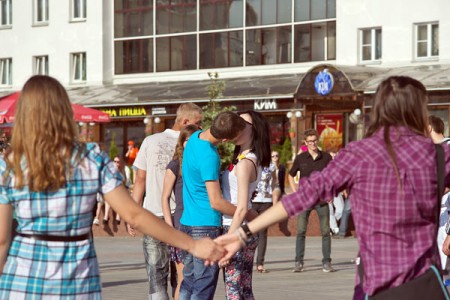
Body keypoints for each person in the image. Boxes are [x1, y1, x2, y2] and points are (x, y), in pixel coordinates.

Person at [216, 76, 450, 298]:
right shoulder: (438, 155)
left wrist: (243, 232)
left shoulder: (359, 154)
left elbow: (304, 196)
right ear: (419, 111)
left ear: (380, 110)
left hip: (377, 284)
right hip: (426, 285)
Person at [0, 75, 225, 299]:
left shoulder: (9, 164)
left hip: (22, 277)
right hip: (76, 280)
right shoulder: (90, 158)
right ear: (64, 111)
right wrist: (192, 245)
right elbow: (134, 215)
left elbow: (2, 239)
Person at [127, 102, 203, 300]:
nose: (201, 128)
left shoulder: (150, 140)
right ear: (186, 122)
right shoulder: (195, 142)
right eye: (198, 122)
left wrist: (132, 215)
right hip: (183, 217)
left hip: (152, 216)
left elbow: (140, 180)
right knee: (183, 276)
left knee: (156, 276)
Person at [179, 111, 253, 300]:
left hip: (187, 222)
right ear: (227, 139)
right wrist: (245, 213)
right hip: (205, 226)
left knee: (188, 282)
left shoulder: (194, 137)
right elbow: (216, 201)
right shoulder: (209, 155)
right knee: (203, 287)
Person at [221, 111, 271, 298]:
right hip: (243, 228)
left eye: (242, 123)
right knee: (243, 288)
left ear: (254, 129)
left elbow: (241, 208)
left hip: (235, 227)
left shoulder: (245, 163)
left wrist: (227, 241)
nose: (237, 125)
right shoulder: (244, 158)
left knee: (234, 290)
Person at [288, 129, 334, 273]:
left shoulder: (326, 157)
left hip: (321, 199)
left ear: (317, 140)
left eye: (315, 140)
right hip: (304, 200)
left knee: (326, 231)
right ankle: (298, 262)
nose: (313, 143)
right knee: (301, 231)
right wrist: (295, 190)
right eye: (310, 141)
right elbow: (291, 175)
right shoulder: (301, 158)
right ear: (305, 143)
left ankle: (326, 262)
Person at [161, 124, 199, 300]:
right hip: (180, 224)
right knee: (184, 278)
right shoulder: (175, 164)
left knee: (198, 279)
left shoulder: (201, 162)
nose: (191, 144)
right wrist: (170, 228)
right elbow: (165, 197)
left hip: (200, 224)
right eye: (188, 140)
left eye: (195, 140)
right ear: (182, 143)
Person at [429, 115, 450, 272]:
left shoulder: (446, 149)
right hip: (436, 215)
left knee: (442, 269)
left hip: (445, 214)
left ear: (429, 127)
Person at [252, 152, 279, 274]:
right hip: (252, 201)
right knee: (250, 231)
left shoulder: (270, 165)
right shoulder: (251, 161)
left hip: (266, 201)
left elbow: (274, 182)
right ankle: (247, 260)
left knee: (262, 233)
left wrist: (274, 200)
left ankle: (260, 263)